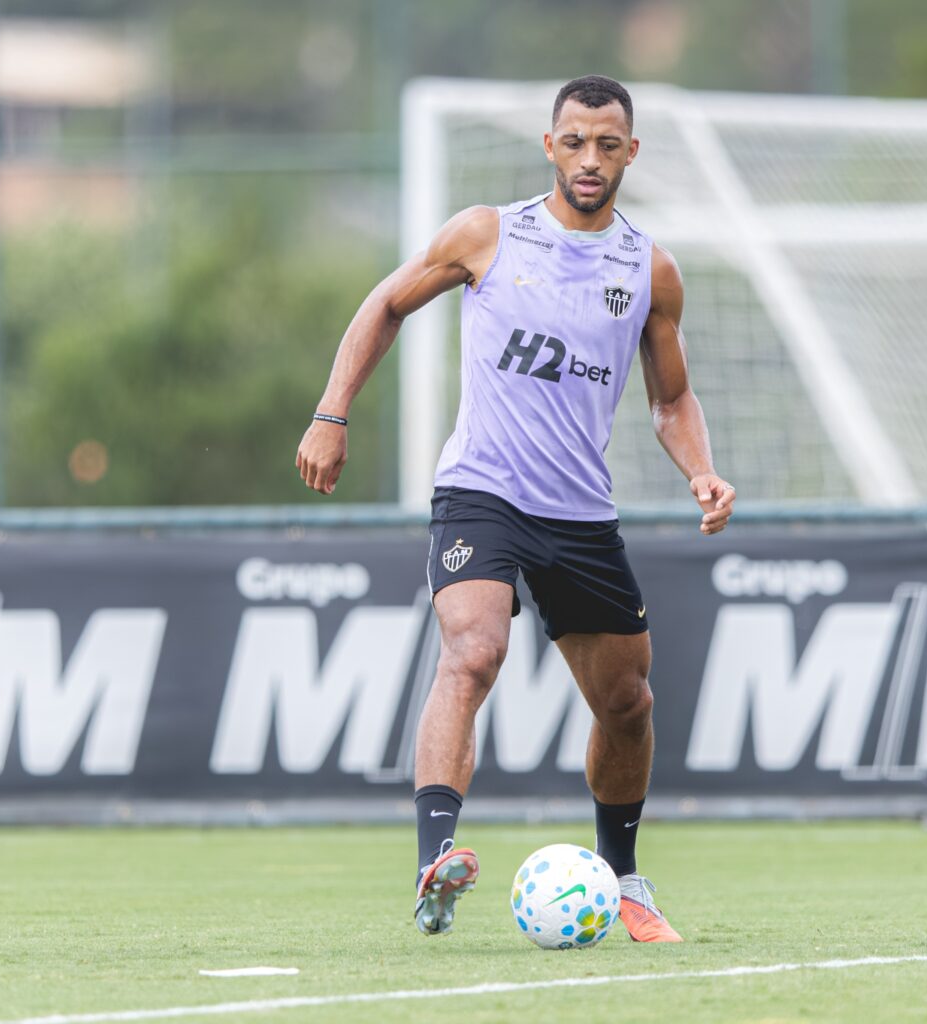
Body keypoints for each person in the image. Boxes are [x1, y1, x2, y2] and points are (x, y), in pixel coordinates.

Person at [296, 74, 734, 942]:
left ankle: (624, 876)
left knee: (629, 703)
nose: (589, 159)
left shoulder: (650, 269)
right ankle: (434, 860)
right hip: (481, 492)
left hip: (580, 514)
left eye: (606, 145)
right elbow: (386, 303)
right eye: (574, 142)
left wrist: (702, 472)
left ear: (630, 153)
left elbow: (672, 398)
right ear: (549, 146)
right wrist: (331, 413)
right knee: (474, 650)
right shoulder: (487, 234)